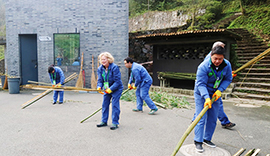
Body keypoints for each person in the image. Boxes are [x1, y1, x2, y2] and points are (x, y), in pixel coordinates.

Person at [193, 46, 233, 152]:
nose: (217, 61)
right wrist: (206, 97)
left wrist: (220, 89)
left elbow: (228, 78)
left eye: (220, 59)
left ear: (223, 58)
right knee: (201, 117)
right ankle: (198, 141)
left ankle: (207, 139)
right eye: (215, 58)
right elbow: (201, 84)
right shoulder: (203, 66)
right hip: (202, 93)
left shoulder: (227, 65)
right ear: (211, 56)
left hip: (215, 94)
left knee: (213, 117)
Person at [192, 41, 236, 129]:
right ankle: (224, 121)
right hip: (207, 88)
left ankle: (195, 120)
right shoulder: (210, 58)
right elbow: (210, 73)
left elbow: (221, 71)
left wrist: (227, 73)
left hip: (216, 88)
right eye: (221, 47)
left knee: (215, 105)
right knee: (212, 105)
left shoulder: (223, 61)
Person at [96, 52, 123, 130]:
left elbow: (117, 82)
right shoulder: (100, 68)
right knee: (105, 104)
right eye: (101, 59)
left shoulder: (114, 67)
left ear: (109, 59)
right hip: (107, 89)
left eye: (104, 59)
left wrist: (110, 89)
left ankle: (115, 123)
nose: (103, 61)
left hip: (116, 88)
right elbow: (100, 80)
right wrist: (99, 87)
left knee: (115, 105)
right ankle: (104, 121)